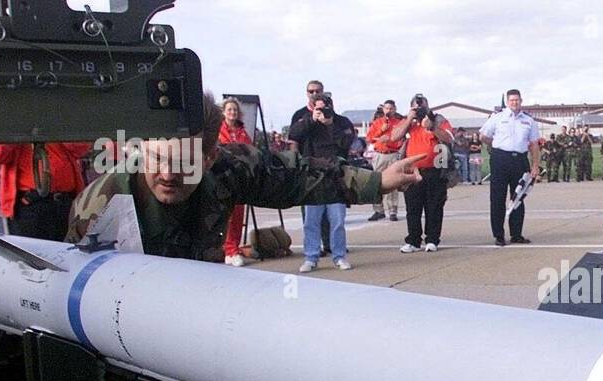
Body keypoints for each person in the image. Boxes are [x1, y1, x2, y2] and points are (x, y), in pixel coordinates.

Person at [66, 92, 423, 259]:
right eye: (156, 159)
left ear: (209, 157)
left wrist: (376, 182)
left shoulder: (228, 167)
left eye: (184, 164)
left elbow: (295, 177)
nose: (167, 175)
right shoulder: (102, 204)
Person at [288, 80, 358, 270]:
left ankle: (339, 255)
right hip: (312, 176)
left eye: (318, 92)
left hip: (336, 176)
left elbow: (347, 142)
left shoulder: (340, 121)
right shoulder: (303, 116)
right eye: (311, 92)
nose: (314, 94)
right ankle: (311, 257)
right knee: (311, 221)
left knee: (337, 220)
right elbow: (293, 135)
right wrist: (312, 119)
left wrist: (330, 124)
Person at [0, 140, 91, 240]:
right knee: (32, 255)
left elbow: (81, 148)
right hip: (28, 206)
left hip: (65, 202)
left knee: (69, 254)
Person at [388, 94, 454, 252]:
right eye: (416, 107)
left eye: (422, 106)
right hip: (412, 171)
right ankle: (413, 240)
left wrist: (431, 126)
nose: (419, 109)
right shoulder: (407, 122)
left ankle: (432, 239)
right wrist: (409, 118)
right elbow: (394, 137)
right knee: (413, 207)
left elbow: (448, 138)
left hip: (436, 170)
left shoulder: (438, 120)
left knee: (434, 207)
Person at [479, 88, 541, 246]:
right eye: (512, 100)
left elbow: (534, 145)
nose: (514, 102)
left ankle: (516, 234)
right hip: (500, 160)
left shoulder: (529, 121)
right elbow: (483, 135)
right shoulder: (498, 117)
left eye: (517, 100)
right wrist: (496, 146)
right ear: (507, 102)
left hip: (520, 160)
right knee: (497, 198)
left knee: (518, 197)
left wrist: (535, 165)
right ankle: (499, 235)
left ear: (521, 101)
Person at [218, 98, 254, 265]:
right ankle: (227, 249)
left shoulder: (243, 132)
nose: (232, 112)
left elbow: (250, 152)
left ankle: (234, 248)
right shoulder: (218, 130)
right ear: (224, 112)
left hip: (239, 178)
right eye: (229, 109)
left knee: (238, 215)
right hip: (222, 178)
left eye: (234, 110)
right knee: (225, 215)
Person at [365, 99, 405, 222]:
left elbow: (403, 139)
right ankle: (378, 210)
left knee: (392, 182)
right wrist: (381, 130)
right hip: (379, 154)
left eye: (391, 108)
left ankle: (393, 210)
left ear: (395, 110)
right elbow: (369, 138)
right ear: (383, 109)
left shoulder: (399, 123)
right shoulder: (377, 123)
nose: (389, 110)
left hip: (392, 154)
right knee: (376, 182)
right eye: (386, 108)